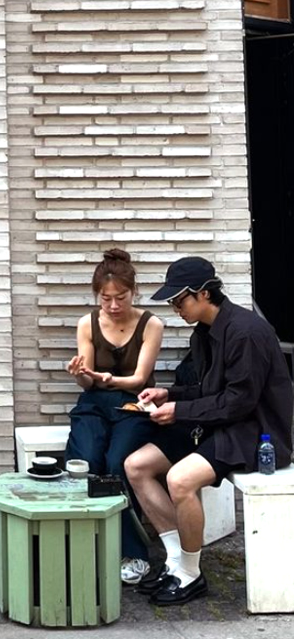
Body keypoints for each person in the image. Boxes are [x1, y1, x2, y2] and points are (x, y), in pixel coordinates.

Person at [125, 256, 294, 606]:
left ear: (203, 294)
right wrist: (168, 394)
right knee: (136, 466)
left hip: (255, 432)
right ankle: (176, 562)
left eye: (178, 300)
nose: (175, 308)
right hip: (217, 424)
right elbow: (209, 392)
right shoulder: (204, 333)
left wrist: (179, 411)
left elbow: (239, 403)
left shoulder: (246, 332)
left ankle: (190, 574)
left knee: (180, 480)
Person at [63, 248, 164, 585]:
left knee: (118, 463)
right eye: (105, 299)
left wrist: (110, 379)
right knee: (86, 461)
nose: (113, 305)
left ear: (133, 291)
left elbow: (138, 379)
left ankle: (134, 553)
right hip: (94, 401)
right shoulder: (87, 323)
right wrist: (79, 374)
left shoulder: (152, 324)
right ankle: (82, 545)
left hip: (133, 403)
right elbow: (88, 378)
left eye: (120, 297)